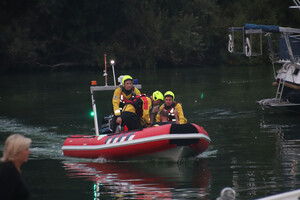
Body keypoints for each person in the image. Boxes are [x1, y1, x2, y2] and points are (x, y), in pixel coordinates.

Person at [0, 134, 32, 200]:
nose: (29, 152)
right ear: (16, 151)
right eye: (26, 149)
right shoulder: (8, 171)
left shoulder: (14, 169)